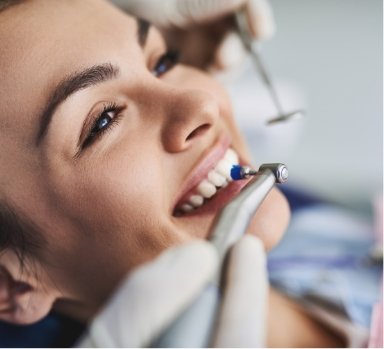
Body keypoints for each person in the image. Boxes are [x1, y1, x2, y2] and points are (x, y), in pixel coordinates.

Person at [0, 0, 381, 347]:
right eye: (103, 121)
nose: (203, 103)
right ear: (9, 285)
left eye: (162, 62)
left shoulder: (323, 231)